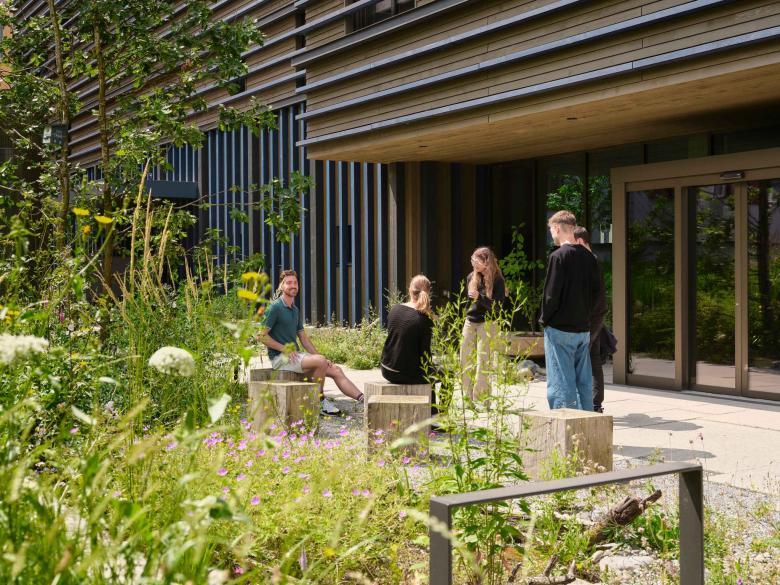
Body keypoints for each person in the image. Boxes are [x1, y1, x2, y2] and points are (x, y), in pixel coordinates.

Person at [258, 269, 363, 416]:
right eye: (288, 283)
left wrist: (320, 357)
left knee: (335, 369)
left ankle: (364, 400)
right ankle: (319, 402)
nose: (293, 285)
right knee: (320, 361)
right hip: (280, 359)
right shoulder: (274, 308)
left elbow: (304, 339)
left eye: (295, 283)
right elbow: (261, 336)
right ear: (281, 286)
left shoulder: (295, 310)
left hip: (295, 357)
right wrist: (284, 349)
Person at [540, 211, 600, 411]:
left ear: (557, 228)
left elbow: (551, 295)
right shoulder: (589, 257)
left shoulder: (558, 256)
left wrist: (544, 320)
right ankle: (587, 420)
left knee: (561, 383)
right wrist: (587, 318)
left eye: (551, 230)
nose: (551, 234)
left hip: (560, 329)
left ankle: (564, 424)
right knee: (584, 382)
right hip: (582, 329)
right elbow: (597, 294)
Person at [460, 247, 506, 400]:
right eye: (472, 260)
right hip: (470, 321)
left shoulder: (498, 280)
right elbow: (468, 303)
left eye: (476, 261)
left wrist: (480, 297)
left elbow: (497, 307)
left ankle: (481, 399)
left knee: (483, 362)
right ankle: (467, 398)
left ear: (486, 262)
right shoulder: (471, 277)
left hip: (487, 323)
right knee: (465, 359)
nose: (473, 264)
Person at [574, 226, 607, 413]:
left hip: (590, 319)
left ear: (579, 241)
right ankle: (595, 404)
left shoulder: (588, 261)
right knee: (593, 360)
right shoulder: (593, 259)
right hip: (596, 316)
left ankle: (589, 404)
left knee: (581, 359)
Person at [381, 274, 435, 385]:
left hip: (386, 368)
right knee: (447, 375)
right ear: (428, 292)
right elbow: (425, 353)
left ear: (409, 289)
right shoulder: (425, 319)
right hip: (405, 374)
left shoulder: (394, 309)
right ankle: (432, 397)